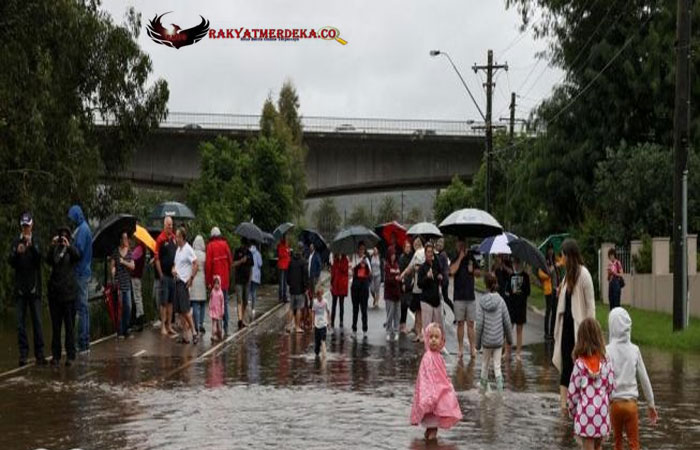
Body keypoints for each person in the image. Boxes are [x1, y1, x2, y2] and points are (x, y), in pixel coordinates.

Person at [553, 238, 597, 412]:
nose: (561, 260)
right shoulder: (566, 277)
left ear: (569, 256)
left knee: (579, 366)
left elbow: (591, 304)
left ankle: (580, 404)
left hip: (580, 330)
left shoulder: (584, 274)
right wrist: (561, 293)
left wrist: (590, 331)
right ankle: (564, 407)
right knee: (566, 366)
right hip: (566, 329)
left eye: (562, 256)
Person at [606, 307, 658, 450]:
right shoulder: (634, 350)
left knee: (617, 443)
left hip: (614, 405)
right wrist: (651, 405)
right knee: (634, 444)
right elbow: (644, 379)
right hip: (631, 405)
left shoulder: (607, 351)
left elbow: (603, 380)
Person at [567, 318, 616, 450]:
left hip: (585, 416)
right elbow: (611, 391)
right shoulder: (606, 361)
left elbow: (572, 395)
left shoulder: (579, 364)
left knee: (587, 447)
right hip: (602, 414)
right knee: (598, 447)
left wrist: (573, 413)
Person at [410, 323, 462, 442]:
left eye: (436, 337)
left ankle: (427, 443)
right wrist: (431, 397)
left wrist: (448, 386)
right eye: (431, 337)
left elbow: (443, 376)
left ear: (441, 340)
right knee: (433, 429)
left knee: (431, 428)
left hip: (436, 400)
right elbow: (425, 379)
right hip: (431, 400)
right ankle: (431, 445)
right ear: (427, 339)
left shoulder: (439, 357)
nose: (433, 340)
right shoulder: (428, 357)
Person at [8, 212, 46, 366]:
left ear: (32, 225)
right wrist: (17, 252)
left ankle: (40, 354)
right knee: (20, 323)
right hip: (20, 290)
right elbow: (10, 261)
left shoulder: (36, 240)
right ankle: (23, 354)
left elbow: (40, 260)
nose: (26, 229)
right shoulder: (16, 241)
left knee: (37, 321)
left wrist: (32, 247)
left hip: (34, 289)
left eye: (28, 226)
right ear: (21, 226)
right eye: (24, 226)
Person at [46, 226, 79, 367]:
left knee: (70, 327)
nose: (62, 239)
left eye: (65, 237)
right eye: (61, 237)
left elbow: (77, 256)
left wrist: (68, 246)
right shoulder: (54, 250)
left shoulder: (71, 251)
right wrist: (52, 245)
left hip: (69, 295)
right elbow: (48, 260)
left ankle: (70, 355)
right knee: (56, 327)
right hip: (55, 295)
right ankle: (56, 355)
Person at [476, 272, 512, 392]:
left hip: (486, 341)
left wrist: (477, 343)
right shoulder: (501, 301)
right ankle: (501, 392)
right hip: (498, 341)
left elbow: (479, 324)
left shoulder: (482, 302)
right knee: (497, 366)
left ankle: (482, 390)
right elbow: (507, 322)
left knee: (484, 365)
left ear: (485, 285)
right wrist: (509, 340)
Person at [450, 237, 480, 360]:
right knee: (460, 323)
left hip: (470, 296)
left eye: (463, 244)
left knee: (471, 324)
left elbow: (479, 273)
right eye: (460, 244)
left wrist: (473, 271)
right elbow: (451, 271)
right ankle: (461, 348)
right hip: (458, 296)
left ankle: (473, 348)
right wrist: (461, 257)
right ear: (457, 246)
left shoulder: (471, 257)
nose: (461, 246)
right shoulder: (455, 257)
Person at [68, 205, 92, 353]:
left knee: (81, 309)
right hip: (85, 272)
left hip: (81, 273)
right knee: (84, 309)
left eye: (72, 218)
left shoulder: (82, 230)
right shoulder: (84, 228)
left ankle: (83, 342)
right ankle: (85, 341)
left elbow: (79, 251)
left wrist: (69, 246)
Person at [173, 227, 198, 344]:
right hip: (177, 281)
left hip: (183, 282)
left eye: (177, 236)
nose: (175, 238)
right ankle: (185, 336)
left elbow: (195, 263)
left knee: (186, 310)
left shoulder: (188, 249)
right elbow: (175, 264)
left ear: (182, 237)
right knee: (181, 311)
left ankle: (194, 332)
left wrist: (191, 278)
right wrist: (173, 269)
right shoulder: (178, 250)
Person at [205, 226, 233, 336]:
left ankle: (216, 328)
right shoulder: (225, 245)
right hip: (224, 280)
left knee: (214, 304)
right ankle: (225, 326)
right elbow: (230, 261)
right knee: (224, 302)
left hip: (215, 281)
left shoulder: (210, 246)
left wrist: (208, 281)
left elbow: (208, 265)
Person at [155, 217, 177, 337]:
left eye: (171, 225)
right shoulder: (160, 239)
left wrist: (175, 267)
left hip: (172, 275)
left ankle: (169, 325)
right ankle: (163, 325)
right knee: (163, 302)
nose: (170, 227)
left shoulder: (174, 238)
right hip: (164, 276)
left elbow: (177, 254)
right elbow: (157, 258)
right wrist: (161, 274)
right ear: (164, 225)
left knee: (170, 302)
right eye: (168, 225)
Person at [400, 237, 425, 341]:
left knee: (419, 312)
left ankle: (420, 334)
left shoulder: (418, 253)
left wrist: (402, 275)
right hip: (425, 286)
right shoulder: (427, 253)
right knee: (422, 311)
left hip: (419, 287)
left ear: (416, 245)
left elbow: (409, 268)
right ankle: (420, 333)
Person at [505, 257, 530, 361]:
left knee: (519, 330)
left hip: (521, 306)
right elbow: (507, 291)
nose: (516, 265)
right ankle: (507, 351)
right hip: (512, 306)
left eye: (517, 263)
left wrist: (521, 288)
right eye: (514, 263)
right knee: (509, 329)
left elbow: (528, 292)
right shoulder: (511, 276)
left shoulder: (525, 276)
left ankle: (518, 353)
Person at [111, 231, 135, 339]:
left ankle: (127, 328)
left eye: (127, 238)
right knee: (119, 308)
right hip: (119, 284)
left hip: (127, 283)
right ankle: (120, 331)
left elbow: (132, 266)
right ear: (120, 240)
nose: (126, 240)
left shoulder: (129, 251)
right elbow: (112, 265)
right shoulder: (115, 252)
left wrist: (124, 262)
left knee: (128, 307)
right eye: (124, 238)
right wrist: (113, 269)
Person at [417, 242, 444, 332]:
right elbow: (419, 284)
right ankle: (427, 346)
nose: (430, 254)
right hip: (426, 301)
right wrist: (427, 277)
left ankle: (436, 346)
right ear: (425, 253)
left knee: (437, 329)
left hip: (436, 300)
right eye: (428, 252)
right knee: (428, 329)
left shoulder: (436, 265)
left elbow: (441, 273)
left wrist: (440, 277)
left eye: (431, 252)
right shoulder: (422, 268)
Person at [351, 241, 372, 339]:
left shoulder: (367, 259)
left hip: (364, 287)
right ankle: (354, 329)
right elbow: (352, 269)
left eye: (363, 249)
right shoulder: (354, 258)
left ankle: (365, 329)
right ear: (357, 250)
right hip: (355, 287)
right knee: (355, 309)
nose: (361, 251)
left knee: (364, 309)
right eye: (360, 249)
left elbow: (370, 272)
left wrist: (365, 263)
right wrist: (359, 262)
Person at [287, 242, 308, 333]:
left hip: (292, 288)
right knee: (299, 308)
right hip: (300, 289)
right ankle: (297, 326)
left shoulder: (291, 261)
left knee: (291, 307)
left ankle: (288, 326)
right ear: (302, 250)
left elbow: (287, 275)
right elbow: (305, 276)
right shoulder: (303, 262)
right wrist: (305, 288)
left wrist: (290, 283)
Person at [233, 238, 253, 329]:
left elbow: (251, 267)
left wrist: (250, 278)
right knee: (239, 300)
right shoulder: (237, 252)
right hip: (238, 280)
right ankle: (240, 319)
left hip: (246, 280)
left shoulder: (250, 254)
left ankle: (244, 318)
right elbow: (233, 264)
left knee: (245, 300)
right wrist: (241, 261)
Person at [190, 235, 207, 335]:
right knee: (202, 303)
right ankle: (201, 323)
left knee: (195, 303)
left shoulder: (192, 254)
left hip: (194, 279)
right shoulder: (205, 255)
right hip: (202, 279)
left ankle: (195, 325)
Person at [543, 243, 560, 340]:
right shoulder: (546, 261)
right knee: (548, 310)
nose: (551, 251)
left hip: (556, 288)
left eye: (552, 249)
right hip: (549, 289)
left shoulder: (555, 260)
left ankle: (552, 332)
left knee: (554, 311)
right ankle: (546, 332)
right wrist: (552, 268)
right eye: (549, 249)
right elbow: (545, 273)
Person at [384, 247, 401, 341]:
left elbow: (400, 276)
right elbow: (387, 279)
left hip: (397, 293)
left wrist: (400, 279)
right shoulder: (386, 266)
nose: (393, 256)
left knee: (397, 314)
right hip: (389, 294)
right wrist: (395, 278)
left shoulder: (397, 265)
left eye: (394, 254)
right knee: (390, 314)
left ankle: (396, 331)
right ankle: (388, 331)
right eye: (392, 254)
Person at [130, 240, 147, 331]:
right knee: (138, 297)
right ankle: (139, 318)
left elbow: (132, 257)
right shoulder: (142, 248)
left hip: (136, 276)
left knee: (137, 298)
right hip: (138, 276)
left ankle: (139, 319)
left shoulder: (140, 248)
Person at [330, 252, 349, 330]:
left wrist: (340, 261)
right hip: (335, 285)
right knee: (334, 304)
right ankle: (332, 320)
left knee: (341, 304)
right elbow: (333, 273)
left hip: (342, 285)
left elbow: (345, 269)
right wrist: (331, 283)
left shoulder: (345, 260)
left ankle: (341, 321)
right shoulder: (335, 261)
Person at [398, 240, 414, 334]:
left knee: (409, 304)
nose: (408, 249)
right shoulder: (402, 258)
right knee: (403, 304)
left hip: (411, 283)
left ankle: (403, 324)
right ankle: (402, 324)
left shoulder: (412, 257)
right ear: (404, 248)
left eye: (409, 247)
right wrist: (403, 283)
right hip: (404, 282)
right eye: (406, 247)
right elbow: (401, 271)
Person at [435, 238, 453, 313]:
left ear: (442, 246)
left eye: (439, 245)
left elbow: (440, 266)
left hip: (444, 280)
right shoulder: (441, 254)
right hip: (443, 279)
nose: (438, 246)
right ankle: (443, 311)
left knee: (445, 298)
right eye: (437, 245)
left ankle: (451, 311)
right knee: (441, 297)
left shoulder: (442, 255)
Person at [311, 288, 330, 359]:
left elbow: (328, 312)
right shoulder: (315, 302)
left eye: (320, 296)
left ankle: (324, 356)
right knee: (317, 343)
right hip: (317, 324)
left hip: (323, 324)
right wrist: (312, 323)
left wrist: (328, 322)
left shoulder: (325, 302)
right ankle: (317, 353)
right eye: (318, 296)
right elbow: (313, 312)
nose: (319, 298)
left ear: (322, 295)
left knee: (323, 340)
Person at [209, 275, 225, 342]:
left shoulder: (221, 293)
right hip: (213, 310)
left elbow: (222, 303)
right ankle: (213, 335)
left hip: (219, 311)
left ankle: (219, 334)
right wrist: (209, 306)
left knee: (219, 324)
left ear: (220, 284)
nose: (216, 285)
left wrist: (222, 310)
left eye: (218, 283)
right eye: (215, 283)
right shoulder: (212, 291)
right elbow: (210, 299)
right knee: (214, 323)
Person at [249, 243, 263, 319]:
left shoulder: (248, 252)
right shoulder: (258, 254)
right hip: (255, 275)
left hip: (249, 275)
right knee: (254, 292)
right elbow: (260, 264)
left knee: (248, 292)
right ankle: (253, 308)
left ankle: (247, 306)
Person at [277, 234, 291, 303]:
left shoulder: (287, 246)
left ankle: (285, 296)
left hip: (286, 266)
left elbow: (289, 255)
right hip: (282, 266)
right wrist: (286, 253)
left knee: (285, 282)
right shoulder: (280, 246)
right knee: (281, 282)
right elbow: (280, 254)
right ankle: (281, 297)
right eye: (286, 238)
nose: (287, 239)